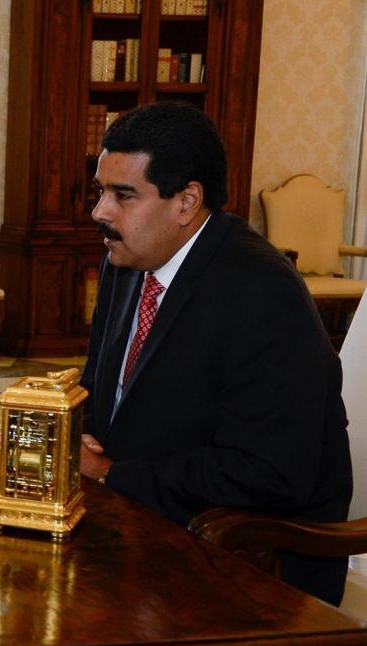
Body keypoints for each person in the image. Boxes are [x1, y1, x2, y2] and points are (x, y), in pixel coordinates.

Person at [79, 101, 352, 606]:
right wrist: (74, 434)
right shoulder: (126, 259)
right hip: (142, 520)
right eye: (101, 192)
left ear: (186, 202)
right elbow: (100, 388)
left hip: (246, 561)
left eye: (123, 195)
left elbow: (266, 473)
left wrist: (110, 474)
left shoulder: (262, 292)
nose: (101, 212)